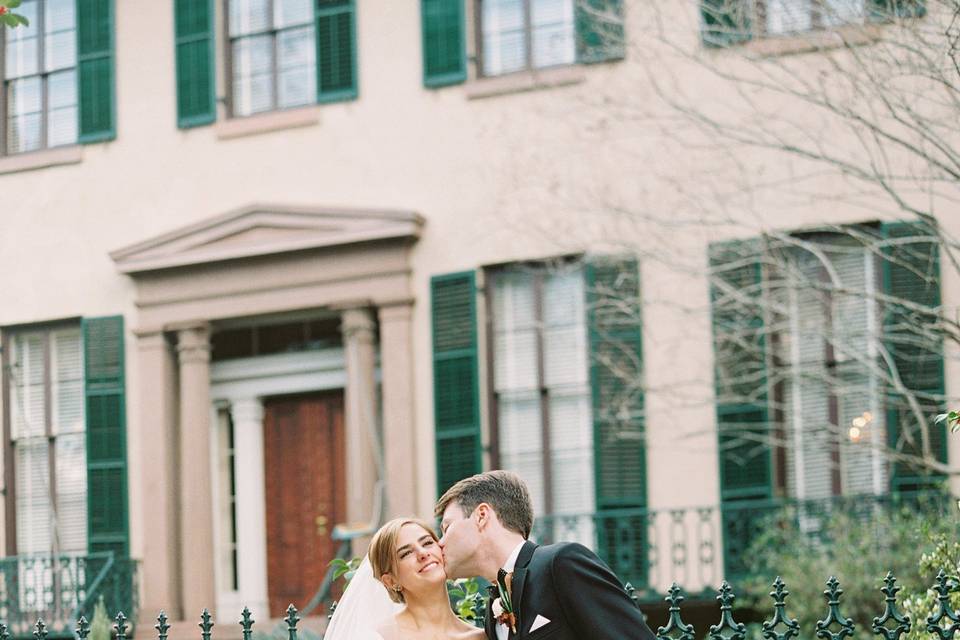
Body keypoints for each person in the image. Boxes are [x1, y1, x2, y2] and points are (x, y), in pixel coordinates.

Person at [436, 470, 658, 640]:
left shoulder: (561, 563)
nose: (440, 543)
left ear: (481, 516)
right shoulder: (491, 614)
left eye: (447, 528)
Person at [323, 517, 484, 640]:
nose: (422, 553)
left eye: (427, 543)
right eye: (406, 553)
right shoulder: (376, 636)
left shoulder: (481, 637)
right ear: (391, 581)